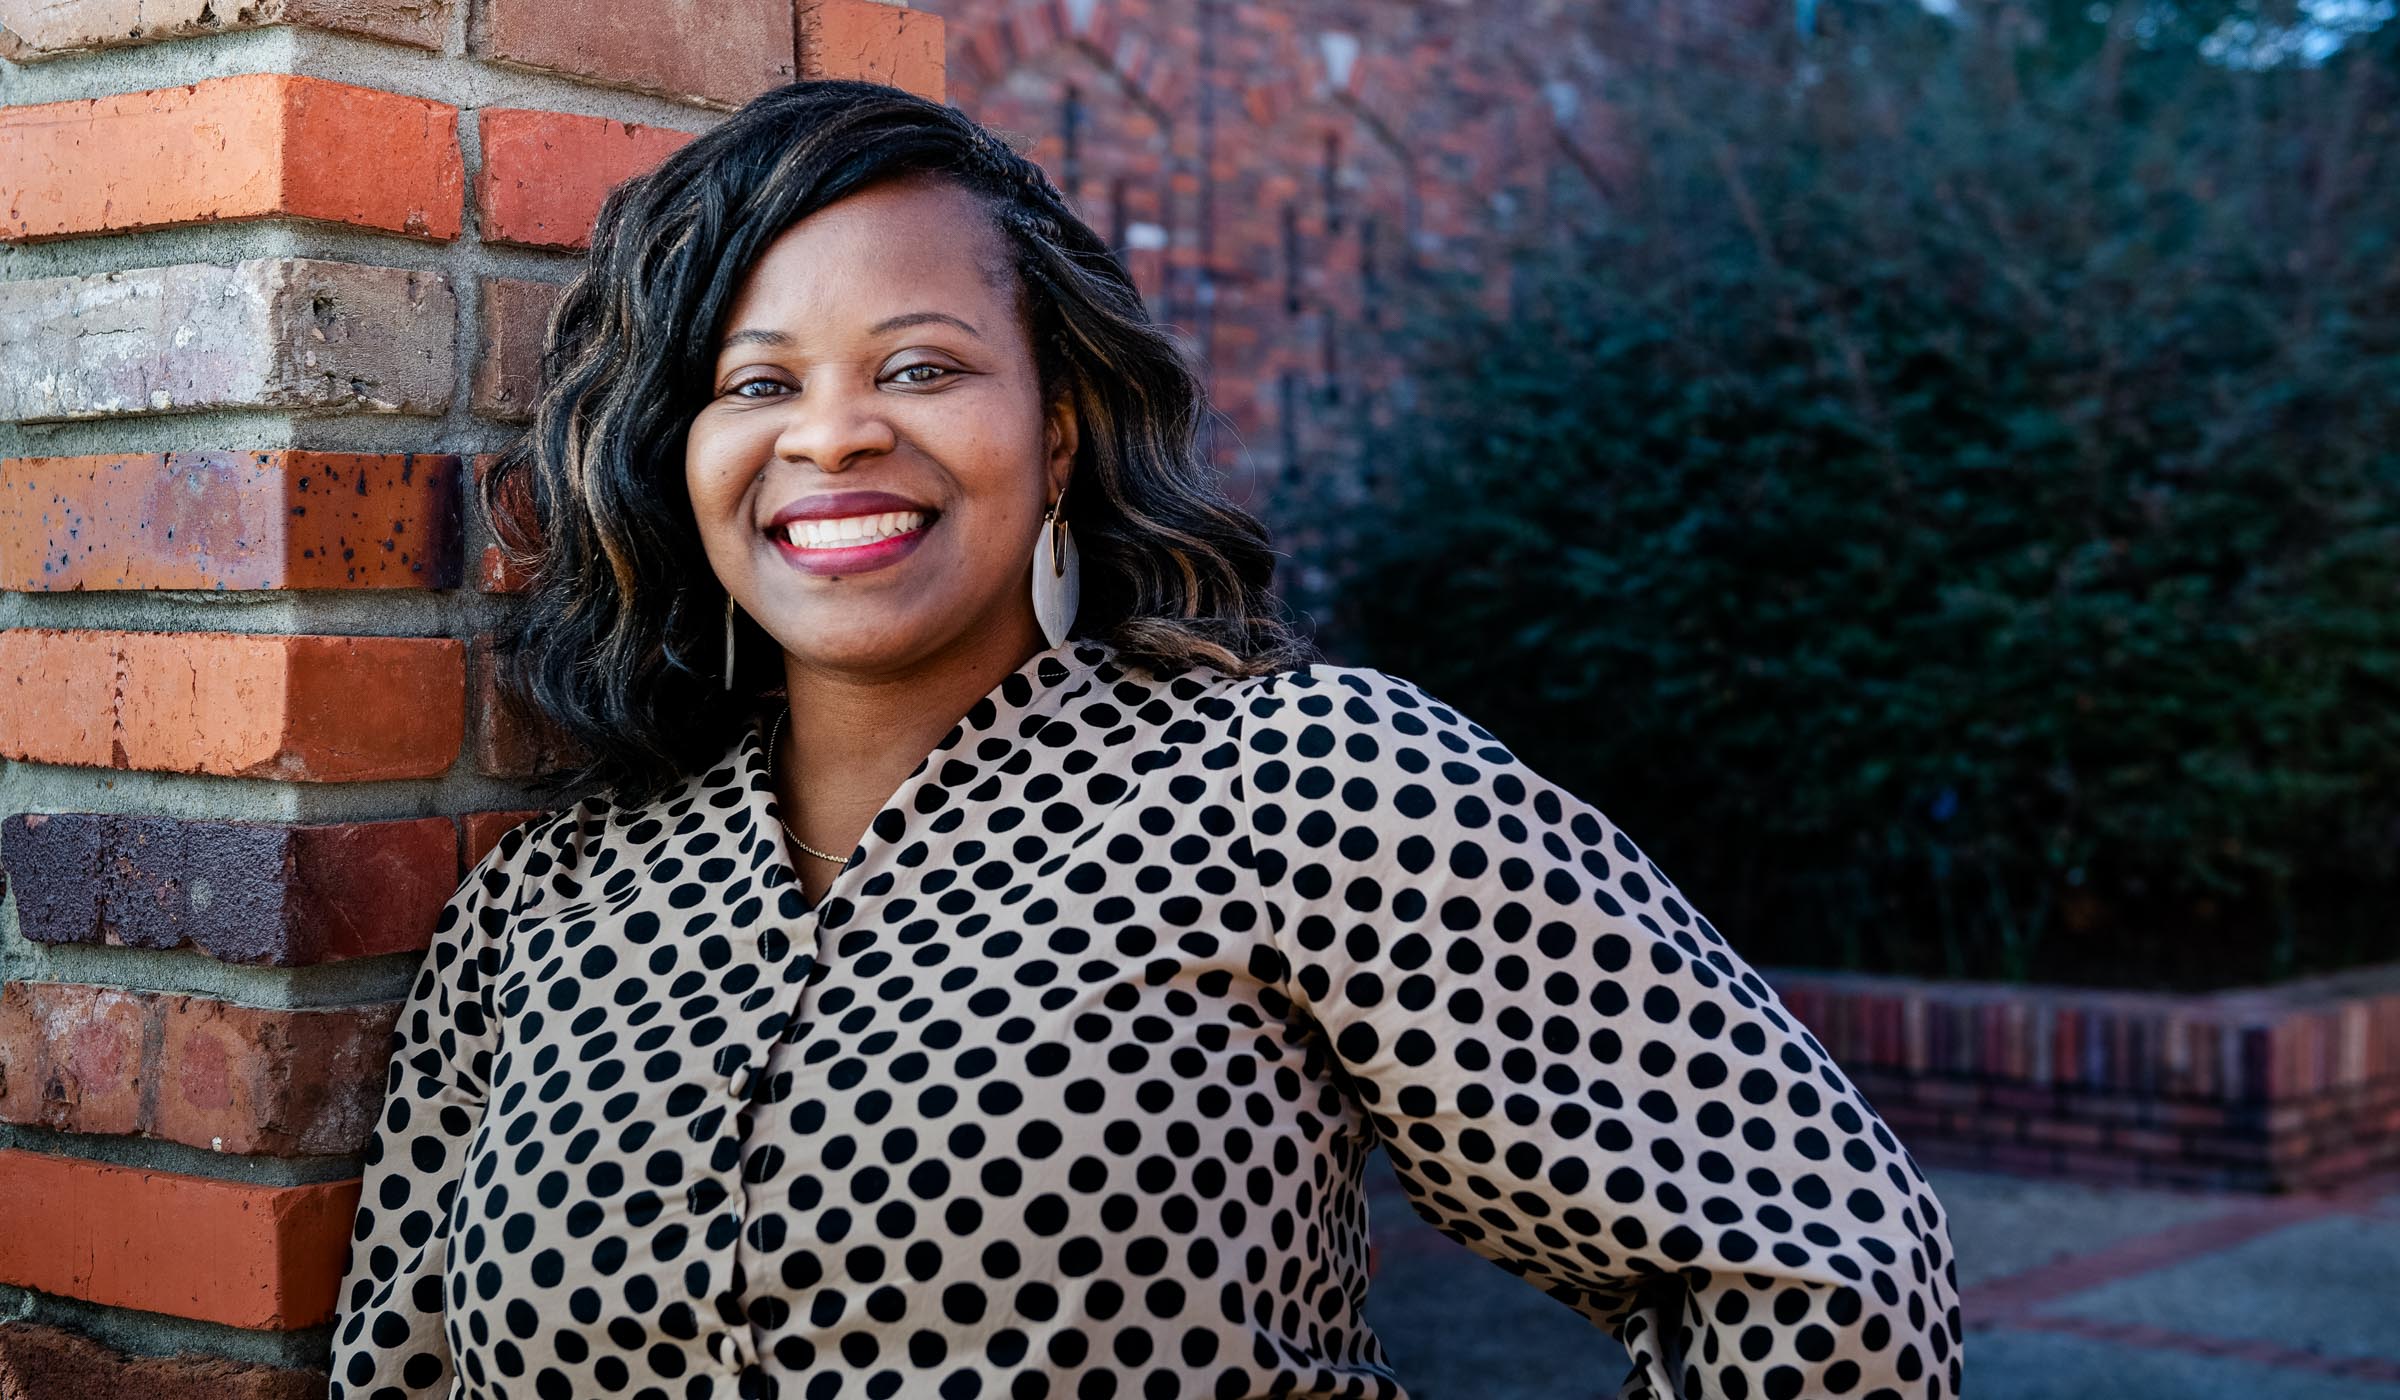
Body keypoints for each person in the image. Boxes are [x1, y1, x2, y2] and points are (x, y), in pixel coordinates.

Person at [329, 78, 1963, 1400]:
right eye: (757, 383)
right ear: (677, 457)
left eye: (922, 364)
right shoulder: (542, 911)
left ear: (1054, 430)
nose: (832, 433)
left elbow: (1819, 1262)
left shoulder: (1302, 785)